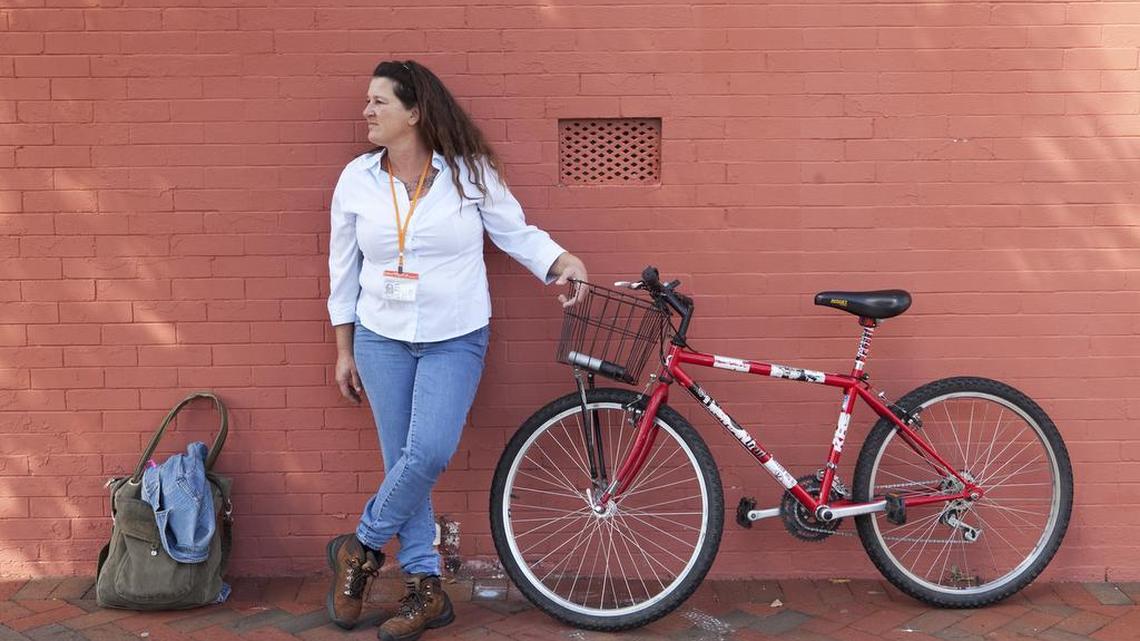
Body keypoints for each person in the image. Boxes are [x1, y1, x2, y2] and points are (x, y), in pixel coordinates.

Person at [324, 60, 587, 641]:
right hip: (380, 336)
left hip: (456, 335)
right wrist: (345, 350)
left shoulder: (468, 174)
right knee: (403, 465)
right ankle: (426, 589)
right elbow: (342, 271)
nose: (366, 112)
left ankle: (360, 547)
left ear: (414, 113)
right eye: (366, 102)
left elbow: (514, 231)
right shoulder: (356, 179)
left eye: (378, 102)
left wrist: (559, 261)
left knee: (429, 452)